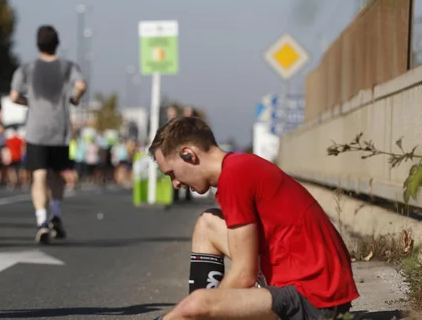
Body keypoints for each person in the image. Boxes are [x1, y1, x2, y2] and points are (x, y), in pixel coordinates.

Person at [148, 117, 359, 320]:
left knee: (197, 306)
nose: (175, 184)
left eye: (172, 174)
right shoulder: (237, 167)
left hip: (316, 299)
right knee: (207, 224)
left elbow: (243, 274)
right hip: (301, 281)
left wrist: (206, 308)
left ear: (188, 155)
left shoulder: (235, 176)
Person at [10, 25, 86, 243]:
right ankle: (56, 214)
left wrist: (30, 103)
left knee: (39, 175)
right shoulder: (67, 66)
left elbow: (14, 96)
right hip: (59, 128)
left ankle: (41, 220)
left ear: (37, 44)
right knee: (57, 174)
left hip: (36, 129)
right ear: (57, 43)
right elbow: (81, 85)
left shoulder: (26, 68)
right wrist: (73, 99)